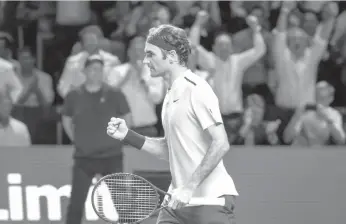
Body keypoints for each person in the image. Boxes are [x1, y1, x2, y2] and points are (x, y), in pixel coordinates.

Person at [107, 24, 237, 224]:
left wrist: (189, 187)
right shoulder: (170, 96)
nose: (144, 61)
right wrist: (128, 135)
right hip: (175, 204)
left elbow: (221, 143)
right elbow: (171, 150)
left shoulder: (197, 89)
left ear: (172, 56)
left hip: (209, 201)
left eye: (151, 54)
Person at [62, 55, 131, 224]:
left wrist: (120, 135)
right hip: (84, 158)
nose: (96, 72)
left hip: (112, 156)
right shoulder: (73, 95)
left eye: (99, 69)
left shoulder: (115, 94)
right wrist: (76, 140)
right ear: (85, 71)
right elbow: (66, 119)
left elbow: (127, 117)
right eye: (92, 69)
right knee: (76, 204)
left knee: (122, 204)